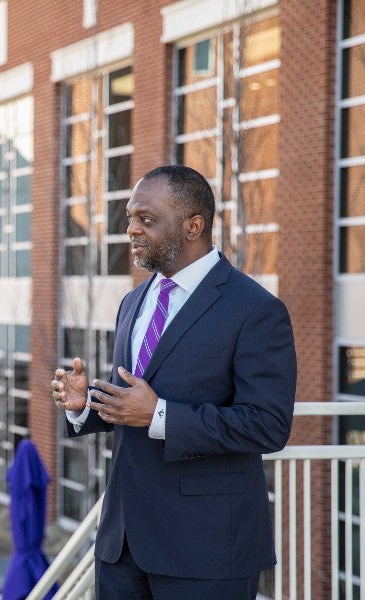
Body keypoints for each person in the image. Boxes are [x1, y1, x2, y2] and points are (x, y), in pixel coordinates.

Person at [51, 165, 296, 600]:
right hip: (122, 547)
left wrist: (160, 415)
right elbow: (131, 402)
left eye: (146, 219)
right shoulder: (133, 302)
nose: (131, 229)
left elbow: (267, 425)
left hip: (207, 552)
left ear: (193, 226)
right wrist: (84, 406)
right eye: (130, 217)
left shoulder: (256, 310)